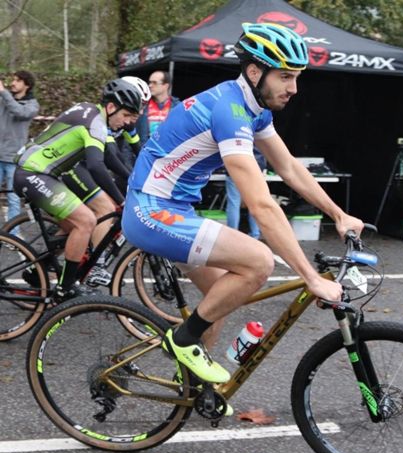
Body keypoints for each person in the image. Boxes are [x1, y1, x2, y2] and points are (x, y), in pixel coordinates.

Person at [122, 23, 364, 393]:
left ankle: (194, 390)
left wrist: (338, 214)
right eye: (285, 77)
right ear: (254, 71)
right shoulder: (229, 110)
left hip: (177, 210)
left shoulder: (255, 109)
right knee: (259, 261)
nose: (294, 88)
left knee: (218, 301)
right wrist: (312, 278)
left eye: (296, 77)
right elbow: (261, 204)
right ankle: (182, 341)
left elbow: (288, 167)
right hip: (150, 211)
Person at [14, 78, 143, 301]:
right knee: (86, 221)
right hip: (33, 173)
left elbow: (108, 157)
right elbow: (96, 166)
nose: (126, 122)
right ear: (111, 107)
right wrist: (121, 201)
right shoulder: (95, 123)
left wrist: (132, 179)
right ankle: (66, 288)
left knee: (74, 227)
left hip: (42, 174)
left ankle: (39, 269)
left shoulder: (92, 114)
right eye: (125, 115)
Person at [0, 70, 40, 236]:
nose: (13, 83)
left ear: (27, 85)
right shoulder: (4, 99)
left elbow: (19, 112)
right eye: (13, 80)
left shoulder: (32, 105)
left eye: (17, 80)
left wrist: (3, 92)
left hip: (13, 159)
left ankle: (13, 235)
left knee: (13, 199)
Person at [225, 148, 266, 239]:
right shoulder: (257, 139)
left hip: (234, 167)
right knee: (255, 203)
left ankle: (232, 236)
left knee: (233, 203)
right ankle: (255, 235)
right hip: (256, 169)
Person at [136, 70, 180, 144]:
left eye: (154, 83)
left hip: (168, 149)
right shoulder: (142, 105)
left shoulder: (178, 107)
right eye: (150, 82)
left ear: (166, 86)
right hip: (146, 149)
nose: (150, 85)